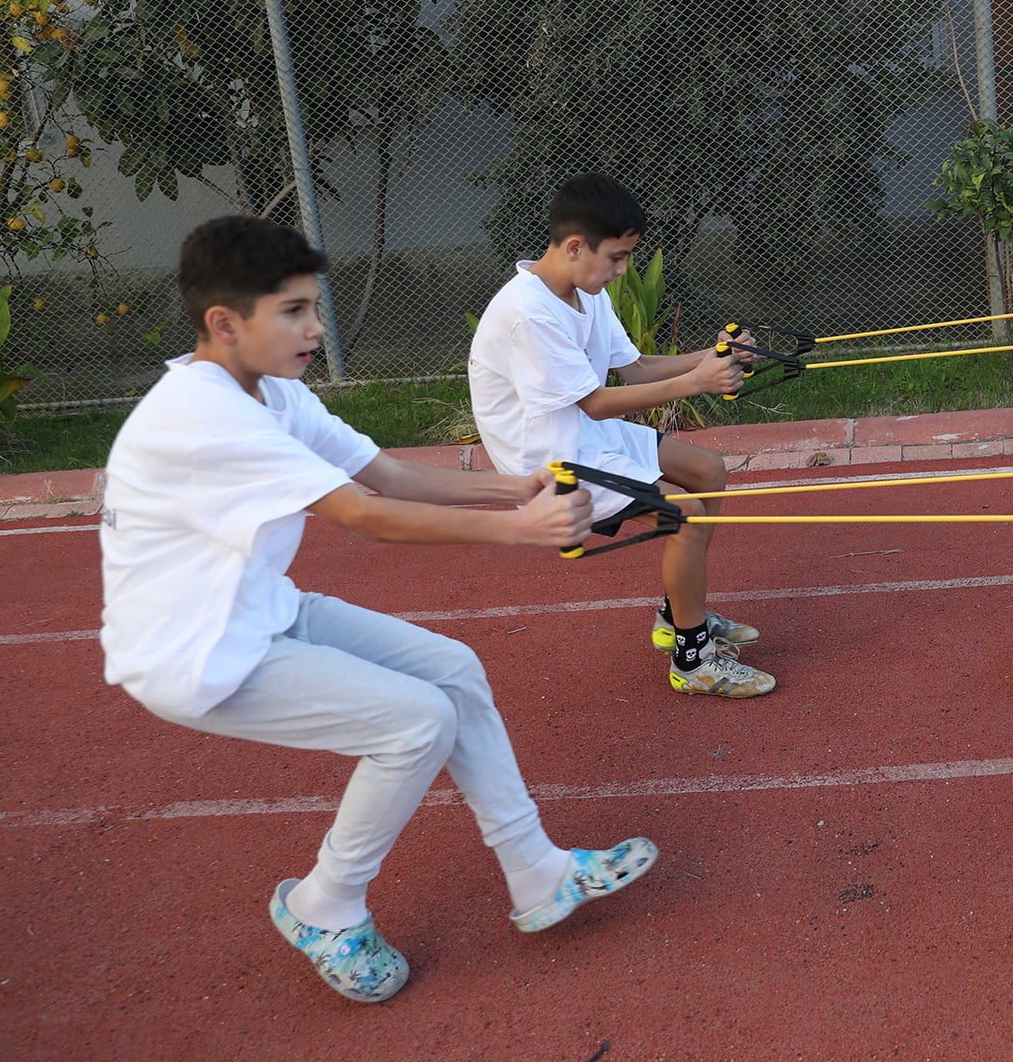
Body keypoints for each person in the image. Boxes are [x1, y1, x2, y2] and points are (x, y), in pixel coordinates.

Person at [100, 216, 657, 1002]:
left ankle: (539, 871)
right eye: (293, 311)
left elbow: (389, 475)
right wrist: (520, 529)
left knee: (453, 671)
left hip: (259, 608)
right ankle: (324, 904)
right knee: (415, 721)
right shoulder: (206, 415)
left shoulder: (271, 393)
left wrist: (519, 484)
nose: (316, 328)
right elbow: (366, 516)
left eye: (312, 306)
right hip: (194, 654)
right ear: (224, 324)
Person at [469, 172, 775, 697]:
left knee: (708, 471)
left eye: (628, 257)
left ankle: (678, 613)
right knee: (685, 514)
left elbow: (632, 368)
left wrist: (714, 358)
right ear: (573, 246)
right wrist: (697, 382)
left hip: (584, 434)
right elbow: (595, 399)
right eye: (615, 257)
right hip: (549, 461)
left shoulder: (584, 291)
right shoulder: (528, 312)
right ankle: (693, 660)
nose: (621, 270)